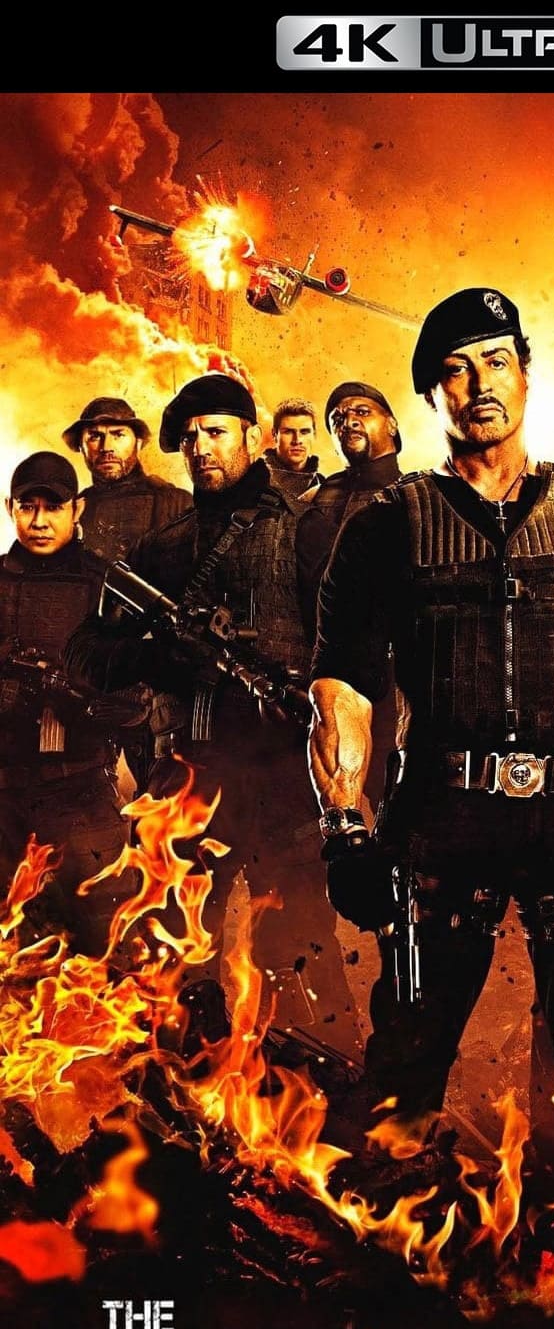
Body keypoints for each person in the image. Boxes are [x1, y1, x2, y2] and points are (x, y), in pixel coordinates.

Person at [308, 287, 554, 1131]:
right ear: (429, 392)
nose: (480, 384)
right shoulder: (383, 525)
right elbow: (343, 688)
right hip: (442, 818)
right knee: (406, 1069)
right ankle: (394, 1202)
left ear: (525, 374)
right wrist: (346, 828)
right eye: (456, 369)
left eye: (497, 361)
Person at [64, 373, 351, 1043]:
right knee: (172, 969)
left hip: (287, 780)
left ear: (253, 436)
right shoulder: (164, 548)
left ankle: (323, 1092)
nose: (201, 448)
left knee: (300, 957)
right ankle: (186, 1092)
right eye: (190, 438)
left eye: (216, 432)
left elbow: (356, 657)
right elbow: (84, 652)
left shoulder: (307, 533)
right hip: (188, 779)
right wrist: (157, 660)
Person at [0, 452, 132, 954]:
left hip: (80, 790)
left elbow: (138, 685)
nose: (39, 521)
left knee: (109, 941)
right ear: (10, 508)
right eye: (27, 507)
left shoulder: (108, 584)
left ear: (77, 509)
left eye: (53, 507)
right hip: (3, 796)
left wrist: (93, 702)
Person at [296, 381, 403, 645]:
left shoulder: (415, 497)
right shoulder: (310, 500)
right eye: (337, 419)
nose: (349, 422)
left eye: (363, 412)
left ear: (392, 425)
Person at [62, 395, 189, 563]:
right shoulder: (71, 511)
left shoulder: (177, 503)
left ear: (138, 443)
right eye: (94, 436)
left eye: (118, 435)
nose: (106, 447)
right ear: (81, 446)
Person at [263, 397, 324, 502]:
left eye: (304, 432)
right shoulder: (254, 481)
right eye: (288, 432)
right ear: (275, 434)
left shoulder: (324, 488)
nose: (297, 440)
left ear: (314, 435)